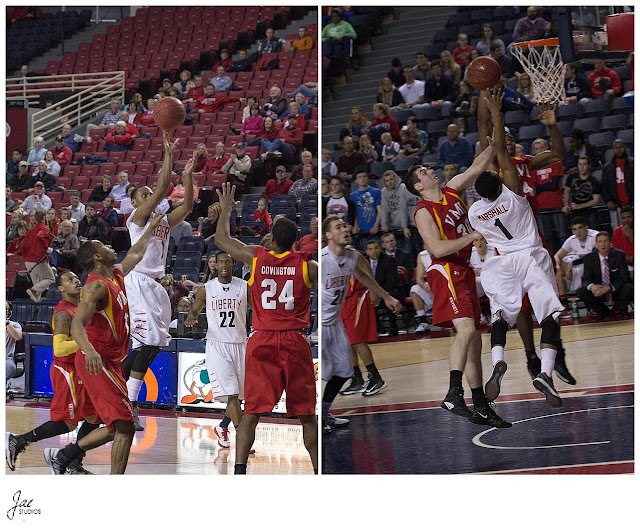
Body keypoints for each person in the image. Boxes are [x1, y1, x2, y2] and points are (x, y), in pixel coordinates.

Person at [43, 213, 165, 475]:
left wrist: (152, 228)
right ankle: (69, 460)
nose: (111, 247)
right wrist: (89, 351)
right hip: (96, 360)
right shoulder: (95, 287)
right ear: (97, 257)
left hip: (111, 361)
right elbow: (77, 325)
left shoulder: (115, 276)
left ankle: (64, 456)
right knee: (124, 424)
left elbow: (135, 253)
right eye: (105, 246)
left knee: (118, 426)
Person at [404, 132, 512, 427]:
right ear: (418, 185)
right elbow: (436, 249)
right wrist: (472, 235)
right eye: (424, 172)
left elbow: (476, 168)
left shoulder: (452, 190)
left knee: (474, 339)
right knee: (465, 331)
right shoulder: (424, 212)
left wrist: (492, 147)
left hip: (462, 269)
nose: (431, 171)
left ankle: (480, 405)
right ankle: (453, 392)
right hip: (445, 270)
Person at [468, 89, 565, 409]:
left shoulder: (474, 213)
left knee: (499, 318)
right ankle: (546, 373)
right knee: (549, 314)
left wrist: (487, 109)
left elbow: (499, 157)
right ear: (499, 183)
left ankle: (498, 361)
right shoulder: (514, 193)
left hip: (500, 263)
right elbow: (504, 160)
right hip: (531, 254)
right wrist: (497, 110)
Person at [214, 183, 318, 475]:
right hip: (295, 340)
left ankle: (239, 471)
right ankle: (319, 470)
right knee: (308, 416)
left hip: (261, 339)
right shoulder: (308, 266)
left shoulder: (257, 257)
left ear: (272, 240)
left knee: (251, 414)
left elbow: (222, 239)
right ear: (295, 243)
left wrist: (226, 210)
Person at [121, 133, 194, 431]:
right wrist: (168, 156)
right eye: (145, 194)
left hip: (156, 285)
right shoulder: (137, 219)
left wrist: (188, 177)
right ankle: (131, 402)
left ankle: (113, 384)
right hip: (136, 281)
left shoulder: (162, 222)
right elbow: (163, 187)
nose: (150, 196)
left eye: (150, 194)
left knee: (154, 345)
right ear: (135, 202)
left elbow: (187, 206)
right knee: (148, 341)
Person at [6, 272, 100, 474]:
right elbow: (59, 349)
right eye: (69, 279)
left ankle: (73, 464)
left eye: (76, 278)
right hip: (68, 371)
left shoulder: (82, 307)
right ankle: (19, 440)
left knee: (95, 417)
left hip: (82, 370)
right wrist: (89, 343)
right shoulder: (63, 313)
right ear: (61, 289)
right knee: (68, 423)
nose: (76, 281)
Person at [321, 216, 401, 431]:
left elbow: (365, 277)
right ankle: (314, 417)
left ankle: (324, 414)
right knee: (319, 375)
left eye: (345, 225)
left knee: (343, 372)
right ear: (328, 235)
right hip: (321, 325)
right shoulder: (321, 261)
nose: (345, 229)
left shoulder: (351, 256)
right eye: (338, 227)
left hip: (336, 322)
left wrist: (386, 296)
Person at [185, 251, 249, 449]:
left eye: (227, 262)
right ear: (214, 265)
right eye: (220, 261)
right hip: (217, 345)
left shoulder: (244, 286)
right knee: (231, 394)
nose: (223, 265)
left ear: (233, 265)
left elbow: (259, 309)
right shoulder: (207, 289)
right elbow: (195, 308)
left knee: (238, 396)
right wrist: (191, 316)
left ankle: (222, 426)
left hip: (240, 344)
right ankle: (242, 437)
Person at [577, 231, 633, 319]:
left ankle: (622, 309)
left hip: (615, 290)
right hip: (598, 292)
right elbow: (585, 279)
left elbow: (624, 278)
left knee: (629, 288)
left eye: (606, 241)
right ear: (596, 245)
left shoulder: (619, 255)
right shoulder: (589, 258)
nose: (603, 244)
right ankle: (602, 311)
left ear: (611, 244)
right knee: (581, 291)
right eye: (600, 241)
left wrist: (608, 288)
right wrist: (592, 287)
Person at [14, 210, 55, 302]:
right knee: (50, 278)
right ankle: (34, 290)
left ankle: (36, 309)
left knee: (37, 285)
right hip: (38, 260)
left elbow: (23, 247)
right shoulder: (45, 228)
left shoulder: (31, 230)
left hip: (28, 260)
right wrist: (46, 248)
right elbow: (39, 236)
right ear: (44, 217)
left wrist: (26, 257)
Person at [554, 217, 599, 295]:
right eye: (574, 229)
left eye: (580, 228)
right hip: (578, 264)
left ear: (586, 227)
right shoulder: (571, 240)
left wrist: (573, 263)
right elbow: (557, 256)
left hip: (595, 264)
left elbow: (595, 255)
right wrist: (557, 266)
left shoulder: (595, 236)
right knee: (558, 271)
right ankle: (563, 299)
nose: (578, 232)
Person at [563, 156, 602, 230]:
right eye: (580, 164)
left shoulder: (594, 181)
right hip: (575, 212)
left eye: (584, 164)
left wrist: (580, 206)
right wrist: (566, 205)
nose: (582, 167)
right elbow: (566, 191)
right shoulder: (572, 177)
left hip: (590, 212)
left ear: (589, 165)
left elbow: (596, 201)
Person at [601, 139, 633, 228]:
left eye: (620, 147)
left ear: (625, 147)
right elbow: (604, 186)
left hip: (632, 203)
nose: (618, 150)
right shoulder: (607, 167)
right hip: (616, 206)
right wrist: (608, 200)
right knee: (618, 231)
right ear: (613, 149)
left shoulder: (633, 163)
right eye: (616, 148)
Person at [350, 166, 381, 245]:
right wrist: (355, 226)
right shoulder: (353, 195)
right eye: (360, 177)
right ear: (356, 180)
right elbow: (355, 213)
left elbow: (380, 211)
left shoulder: (377, 192)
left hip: (376, 229)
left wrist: (376, 226)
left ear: (368, 178)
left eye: (364, 176)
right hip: (362, 230)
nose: (362, 179)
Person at [5, 302, 24, 385]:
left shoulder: (15, 325)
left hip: (6, 359)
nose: (5, 311)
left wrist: (6, 323)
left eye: (6, 309)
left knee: (10, 367)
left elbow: (18, 337)